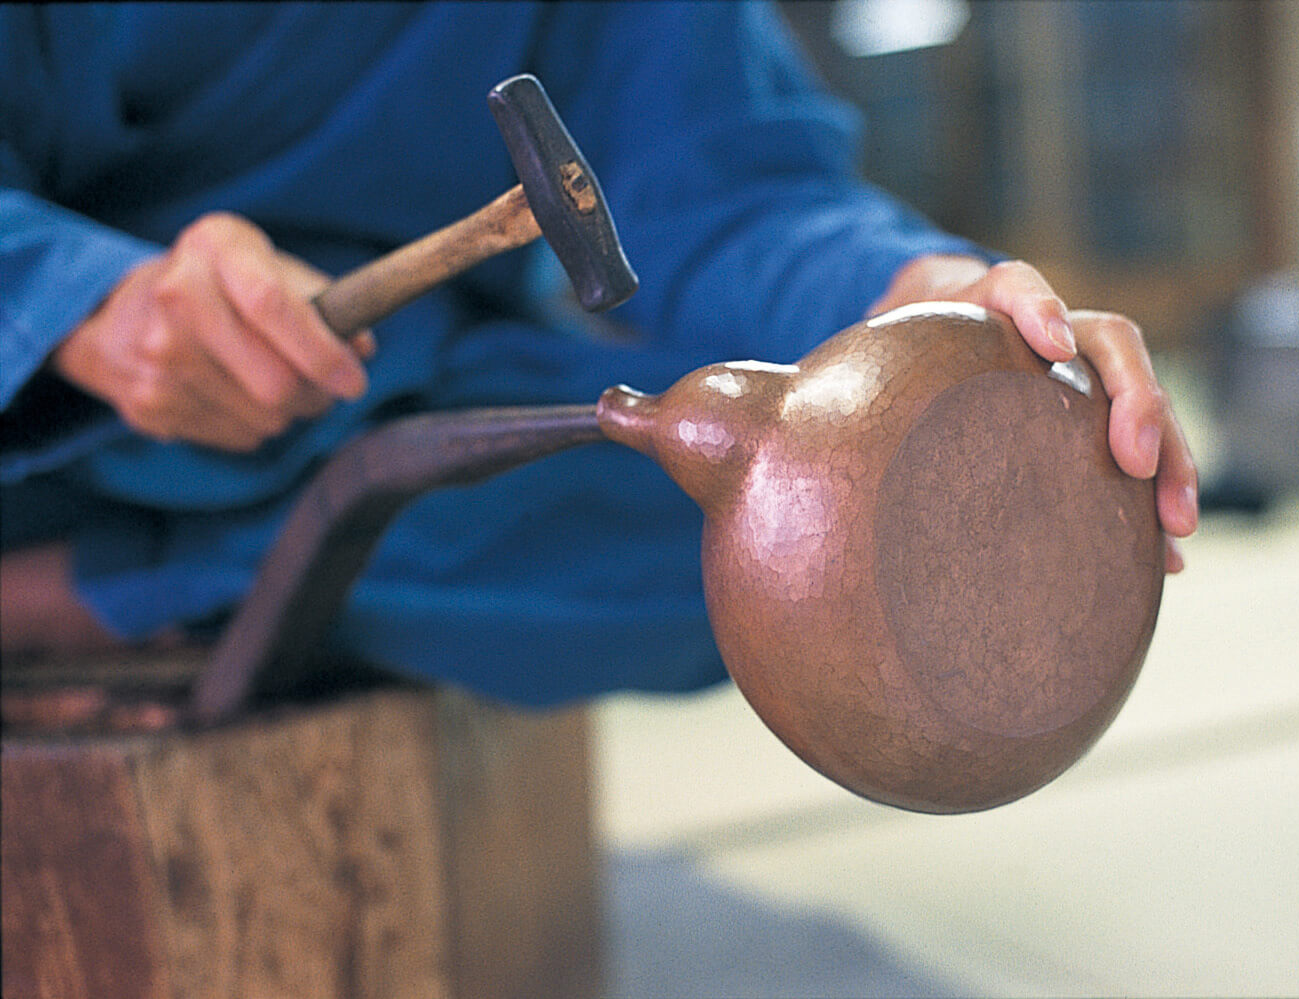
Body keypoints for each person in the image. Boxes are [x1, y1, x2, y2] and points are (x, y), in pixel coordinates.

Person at [0, 2, 1197, 706]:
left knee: (816, 537)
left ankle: (141, 586)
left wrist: (925, 299)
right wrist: (88, 305)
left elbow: (724, 189)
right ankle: (107, 580)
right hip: (40, 419)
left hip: (381, 390)